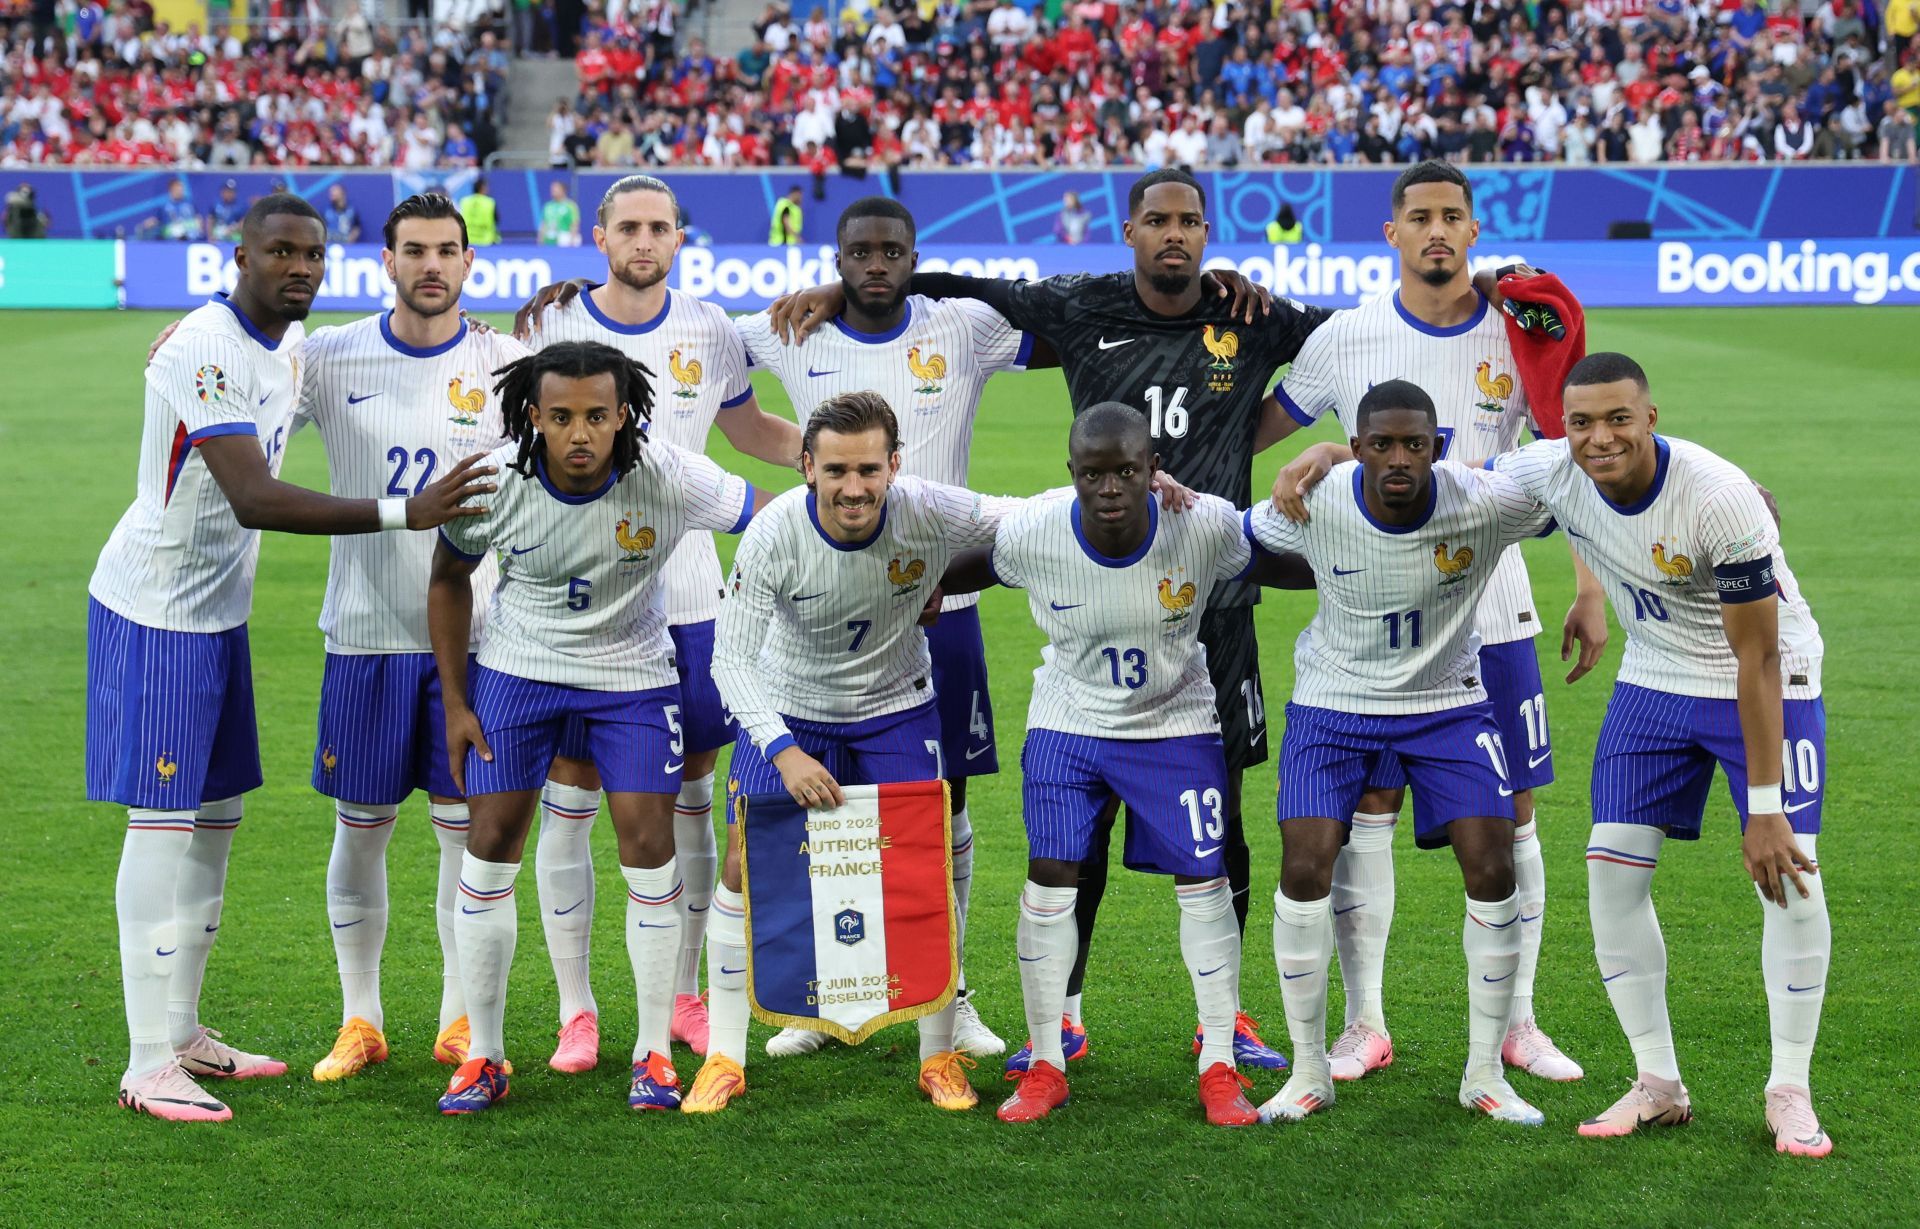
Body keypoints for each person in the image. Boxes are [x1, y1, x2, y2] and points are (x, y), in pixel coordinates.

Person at [770, 168, 1327, 1071]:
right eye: (1158, 219)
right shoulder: (1082, 304)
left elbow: (1362, 337)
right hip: (1093, 585)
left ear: (1208, 231)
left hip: (1211, 599)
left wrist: (1294, 432)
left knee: (1221, 814)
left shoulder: (1254, 317)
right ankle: (1063, 1012)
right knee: (1081, 827)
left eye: (1190, 220)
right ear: (1131, 229)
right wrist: (853, 285)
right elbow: (961, 287)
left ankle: (1225, 1022)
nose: (1174, 234)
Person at [90, 194, 493, 1123]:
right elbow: (254, 498)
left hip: (214, 613)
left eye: (311, 253)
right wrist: (408, 510)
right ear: (241, 255)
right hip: (157, 610)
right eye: (280, 252)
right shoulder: (208, 345)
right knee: (160, 823)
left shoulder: (283, 347)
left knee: (215, 818)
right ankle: (146, 1058)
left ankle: (183, 1027)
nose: (298, 267)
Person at [1260, 160, 1603, 1084]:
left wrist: (1589, 581)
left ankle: (1516, 1022)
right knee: (1367, 808)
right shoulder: (1347, 338)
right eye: (1421, 217)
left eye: (1454, 216)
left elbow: (1562, 458)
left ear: (1475, 232)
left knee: (1515, 818)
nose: (1438, 231)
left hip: (1494, 611)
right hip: (1374, 624)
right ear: (1393, 234)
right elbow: (1254, 429)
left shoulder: (1513, 330)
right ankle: (1365, 1020)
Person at [1486, 353, 1831, 1157]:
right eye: (1580, 422)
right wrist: (1329, 456)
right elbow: (1456, 484)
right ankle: (1658, 1082)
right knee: (1611, 873)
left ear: (1650, 418)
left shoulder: (1717, 498)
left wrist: (1765, 812)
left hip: (1769, 671)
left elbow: (1760, 661)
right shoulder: (1553, 468)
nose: (1598, 438)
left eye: (1617, 419)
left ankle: (1789, 1088)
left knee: (1792, 878)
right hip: (1656, 674)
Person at [730, 196, 1049, 1058]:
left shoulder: (963, 327)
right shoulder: (791, 327)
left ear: (915, 254)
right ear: (835, 258)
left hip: (941, 599)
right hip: (826, 592)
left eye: (892, 251)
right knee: (813, 814)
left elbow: (1068, 324)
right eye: (859, 253)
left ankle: (954, 994)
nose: (876, 263)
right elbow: (696, 354)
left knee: (940, 812)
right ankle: (831, 994)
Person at [286, 195, 593, 1083]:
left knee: (467, 833)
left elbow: (603, 404)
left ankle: (461, 1014)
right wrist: (187, 341)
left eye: (446, 251)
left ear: (469, 263)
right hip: (366, 637)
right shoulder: (329, 356)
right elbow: (247, 382)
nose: (431, 264)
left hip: (481, 644)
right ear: (385, 259)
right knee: (363, 828)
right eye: (413, 249)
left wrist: (575, 300)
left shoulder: (510, 362)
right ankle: (361, 1016)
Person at [946, 404, 1312, 1125]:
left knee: (1205, 877)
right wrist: (920, 592)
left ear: (1154, 472)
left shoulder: (1200, 522)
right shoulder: (1036, 530)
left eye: (1125, 471)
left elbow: (1275, 554)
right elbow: (975, 565)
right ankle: (1046, 1061)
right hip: (1068, 723)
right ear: (1071, 475)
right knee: (1050, 875)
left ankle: (1217, 1062)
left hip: (1174, 723)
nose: (1109, 486)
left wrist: (1365, 573)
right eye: (1093, 473)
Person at [428, 341, 763, 1115]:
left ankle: (651, 1052)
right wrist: (455, 700)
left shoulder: (669, 474)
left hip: (633, 677)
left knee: (650, 846)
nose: (580, 434)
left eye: (597, 416)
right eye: (561, 417)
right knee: (489, 848)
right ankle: (483, 1053)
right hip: (518, 670)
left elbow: (771, 516)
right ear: (533, 416)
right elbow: (447, 581)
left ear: (625, 415)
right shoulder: (494, 481)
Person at [513, 175, 802, 1066]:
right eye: (628, 227)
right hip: (582, 607)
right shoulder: (549, 327)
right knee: (572, 800)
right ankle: (576, 1007)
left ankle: (683, 996)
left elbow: (748, 431)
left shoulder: (710, 329)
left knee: (689, 800)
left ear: (680, 238)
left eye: (659, 228)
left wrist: (834, 461)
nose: (644, 241)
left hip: (691, 599)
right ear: (598, 236)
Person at [1245, 380, 1559, 1128]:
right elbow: (1226, 540)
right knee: (1303, 863)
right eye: (1379, 443)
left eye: (1413, 444)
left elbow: (1568, 469)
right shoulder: (1313, 502)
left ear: (1438, 447)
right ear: (1354, 449)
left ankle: (1485, 1071)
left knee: (1492, 861)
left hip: (1448, 702)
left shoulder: (1481, 501)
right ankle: (1310, 1069)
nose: (1397, 458)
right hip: (1334, 704)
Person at [691, 391, 1016, 1114]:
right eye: (836, 469)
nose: (854, 486)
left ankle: (939, 1056)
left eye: (870, 468)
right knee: (745, 861)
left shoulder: (927, 508)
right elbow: (731, 661)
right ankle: (724, 1054)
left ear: (894, 465)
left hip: (895, 705)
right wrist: (782, 751)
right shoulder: (774, 534)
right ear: (807, 466)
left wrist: (1140, 484)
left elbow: (1020, 517)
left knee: (920, 863)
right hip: (790, 708)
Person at [460, 177, 500, 247]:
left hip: (467, 241)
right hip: (486, 241)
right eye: (486, 187)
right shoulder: (490, 202)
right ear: (482, 188)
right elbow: (497, 220)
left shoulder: (464, 201)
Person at [539, 181, 580, 246]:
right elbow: (544, 224)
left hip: (564, 239)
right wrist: (540, 240)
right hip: (549, 239)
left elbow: (574, 224)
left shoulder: (571, 206)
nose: (553, 191)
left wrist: (572, 240)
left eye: (556, 189)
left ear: (563, 190)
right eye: (552, 189)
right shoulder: (548, 206)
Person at [206, 180, 245, 245]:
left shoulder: (240, 206)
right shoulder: (216, 204)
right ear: (222, 192)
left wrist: (233, 228)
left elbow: (244, 222)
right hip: (218, 236)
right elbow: (210, 220)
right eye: (227, 191)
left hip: (234, 237)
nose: (229, 194)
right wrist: (210, 236)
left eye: (232, 192)